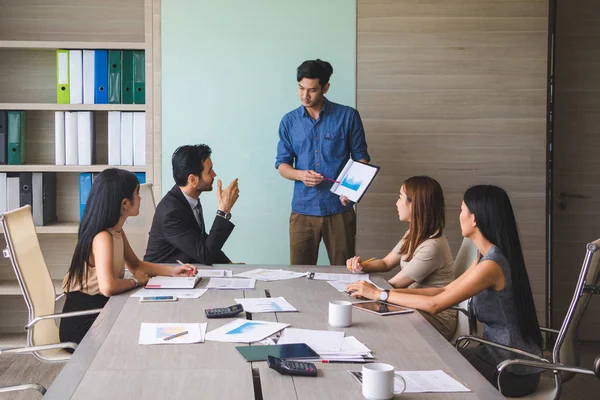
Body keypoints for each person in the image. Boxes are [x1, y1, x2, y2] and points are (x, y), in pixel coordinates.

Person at [347, 185, 543, 397]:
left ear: (474, 219)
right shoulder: (486, 257)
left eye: (461, 210)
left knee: (425, 375)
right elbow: (443, 291)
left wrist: (380, 295)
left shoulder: (492, 265)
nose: (458, 216)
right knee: (423, 364)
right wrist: (380, 292)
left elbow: (436, 305)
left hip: (510, 371)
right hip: (494, 357)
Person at [60, 169, 197, 345]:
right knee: (144, 335)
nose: (140, 199)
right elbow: (108, 287)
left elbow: (135, 265)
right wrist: (136, 282)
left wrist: (172, 271)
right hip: (85, 322)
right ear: (125, 203)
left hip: (103, 311)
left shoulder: (116, 231)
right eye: (137, 194)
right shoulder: (103, 237)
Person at [275, 59, 370, 266]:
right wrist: (301, 175)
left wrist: (351, 192)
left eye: (312, 90)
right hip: (302, 210)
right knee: (299, 276)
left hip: (339, 209)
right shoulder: (289, 122)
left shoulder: (347, 116)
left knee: (345, 273)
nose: (305, 96)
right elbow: (282, 164)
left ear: (325, 88)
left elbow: (361, 158)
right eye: (301, 88)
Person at [346, 176, 456, 340]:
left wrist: (368, 290)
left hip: (434, 317)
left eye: (400, 197)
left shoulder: (432, 246)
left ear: (415, 204)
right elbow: (386, 262)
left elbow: (393, 285)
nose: (396, 203)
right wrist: (362, 266)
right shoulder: (414, 233)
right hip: (411, 303)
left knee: (366, 318)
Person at [144, 144, 239, 264]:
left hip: (184, 273)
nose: (214, 174)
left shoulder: (190, 200)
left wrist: (230, 265)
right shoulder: (171, 213)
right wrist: (223, 211)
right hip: (162, 277)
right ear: (193, 179)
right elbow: (205, 255)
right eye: (209, 171)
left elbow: (202, 241)